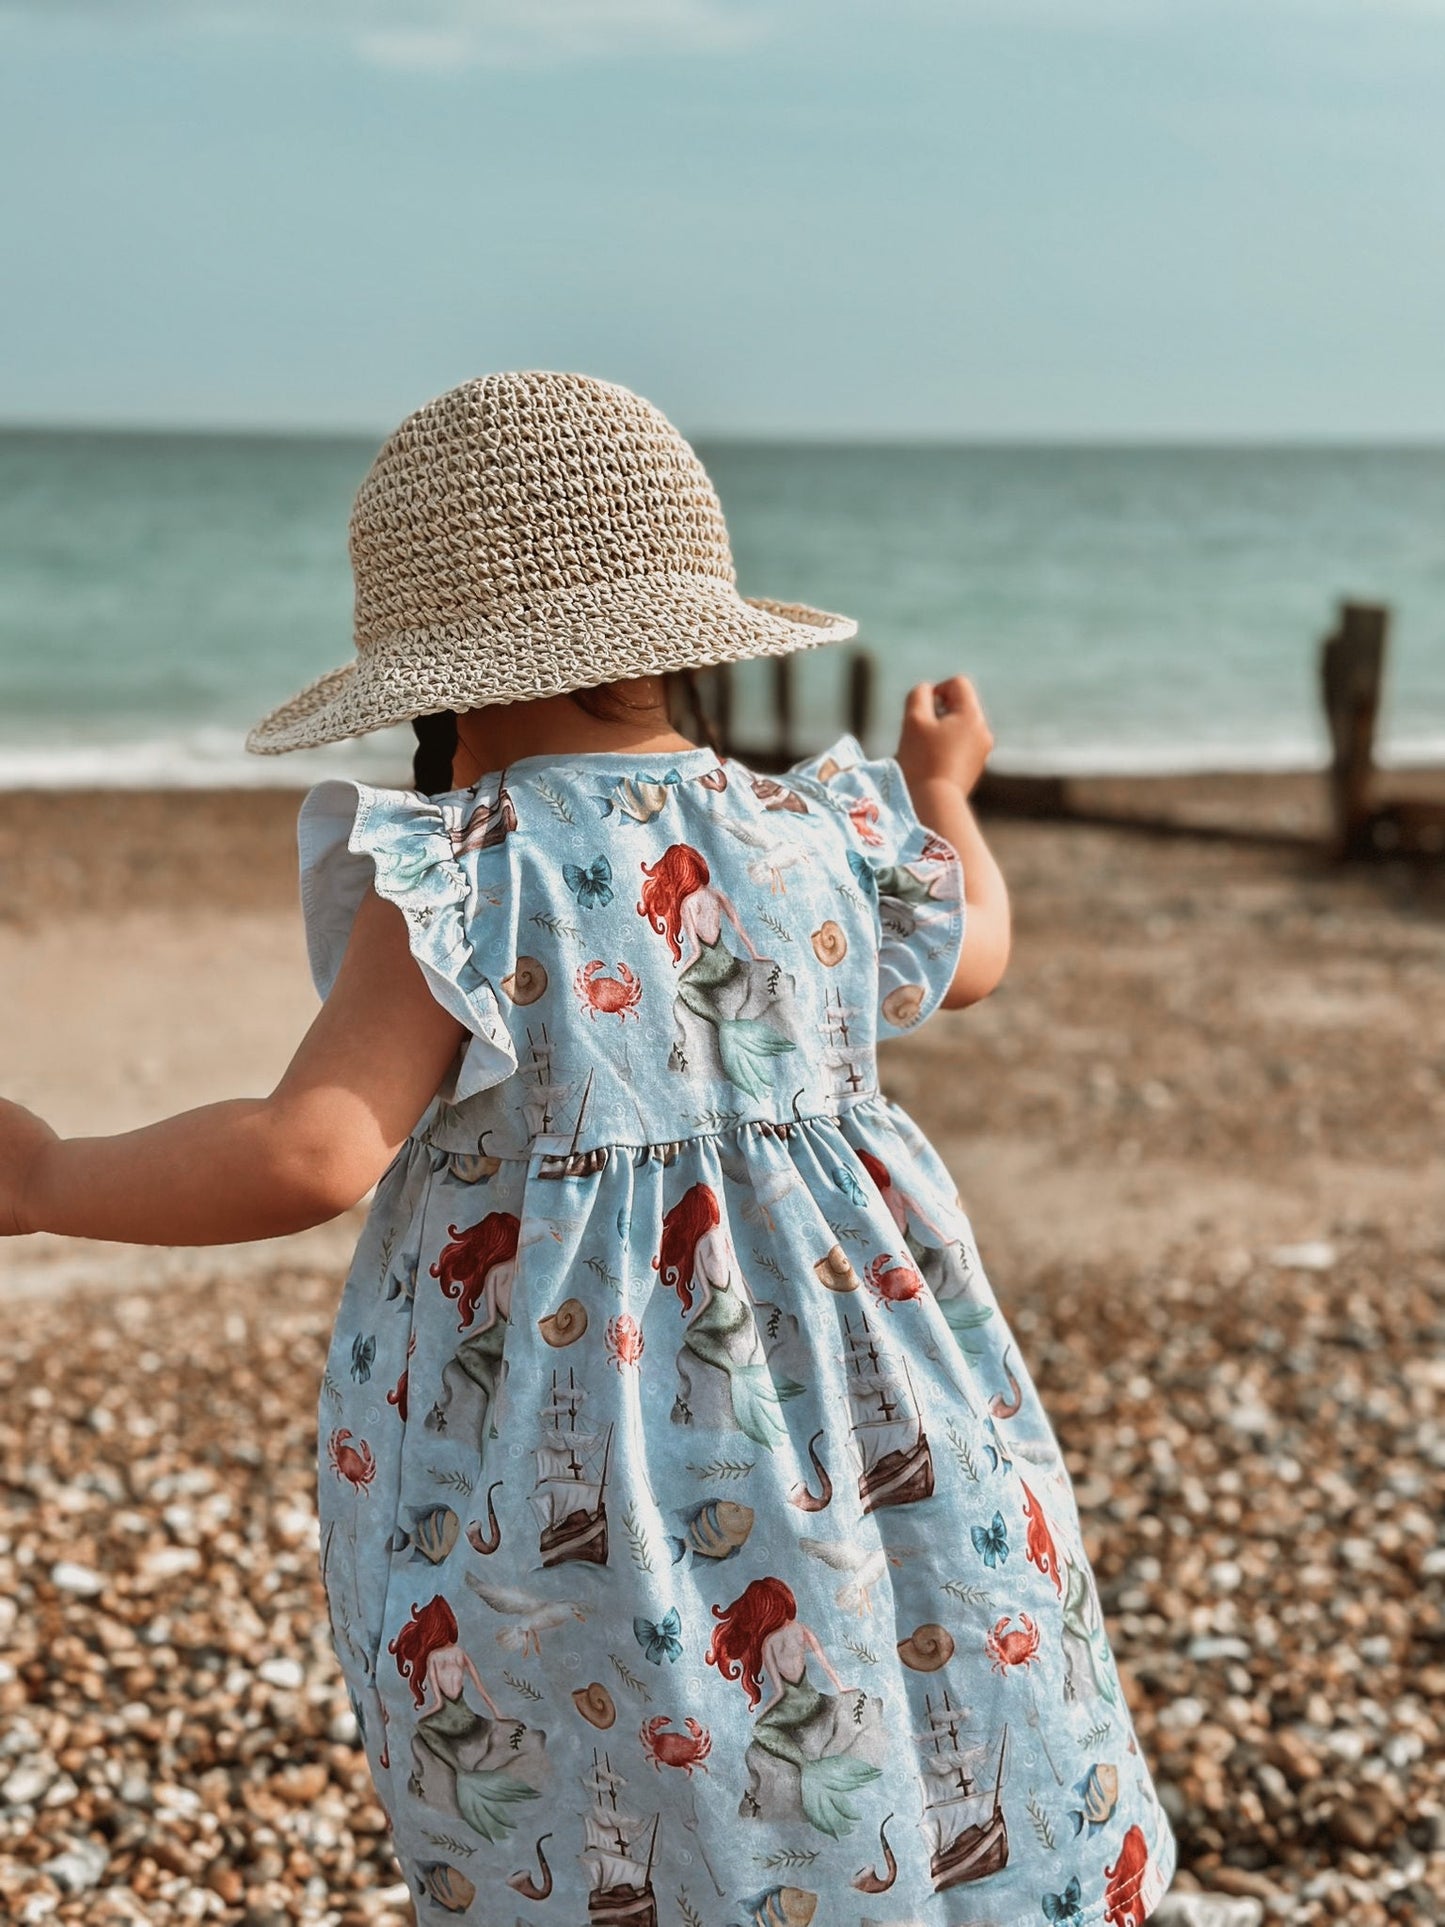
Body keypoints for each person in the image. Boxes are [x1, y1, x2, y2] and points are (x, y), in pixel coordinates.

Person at [0, 372, 1176, 1925]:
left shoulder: (471, 872)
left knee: (629, 1741)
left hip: (601, 1435)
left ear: (438, 677)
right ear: (685, 637)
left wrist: (49, 1179)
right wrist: (944, 795)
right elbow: (972, 954)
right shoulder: (813, 828)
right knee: (903, 1640)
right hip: (866, 1386)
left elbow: (309, 1153)